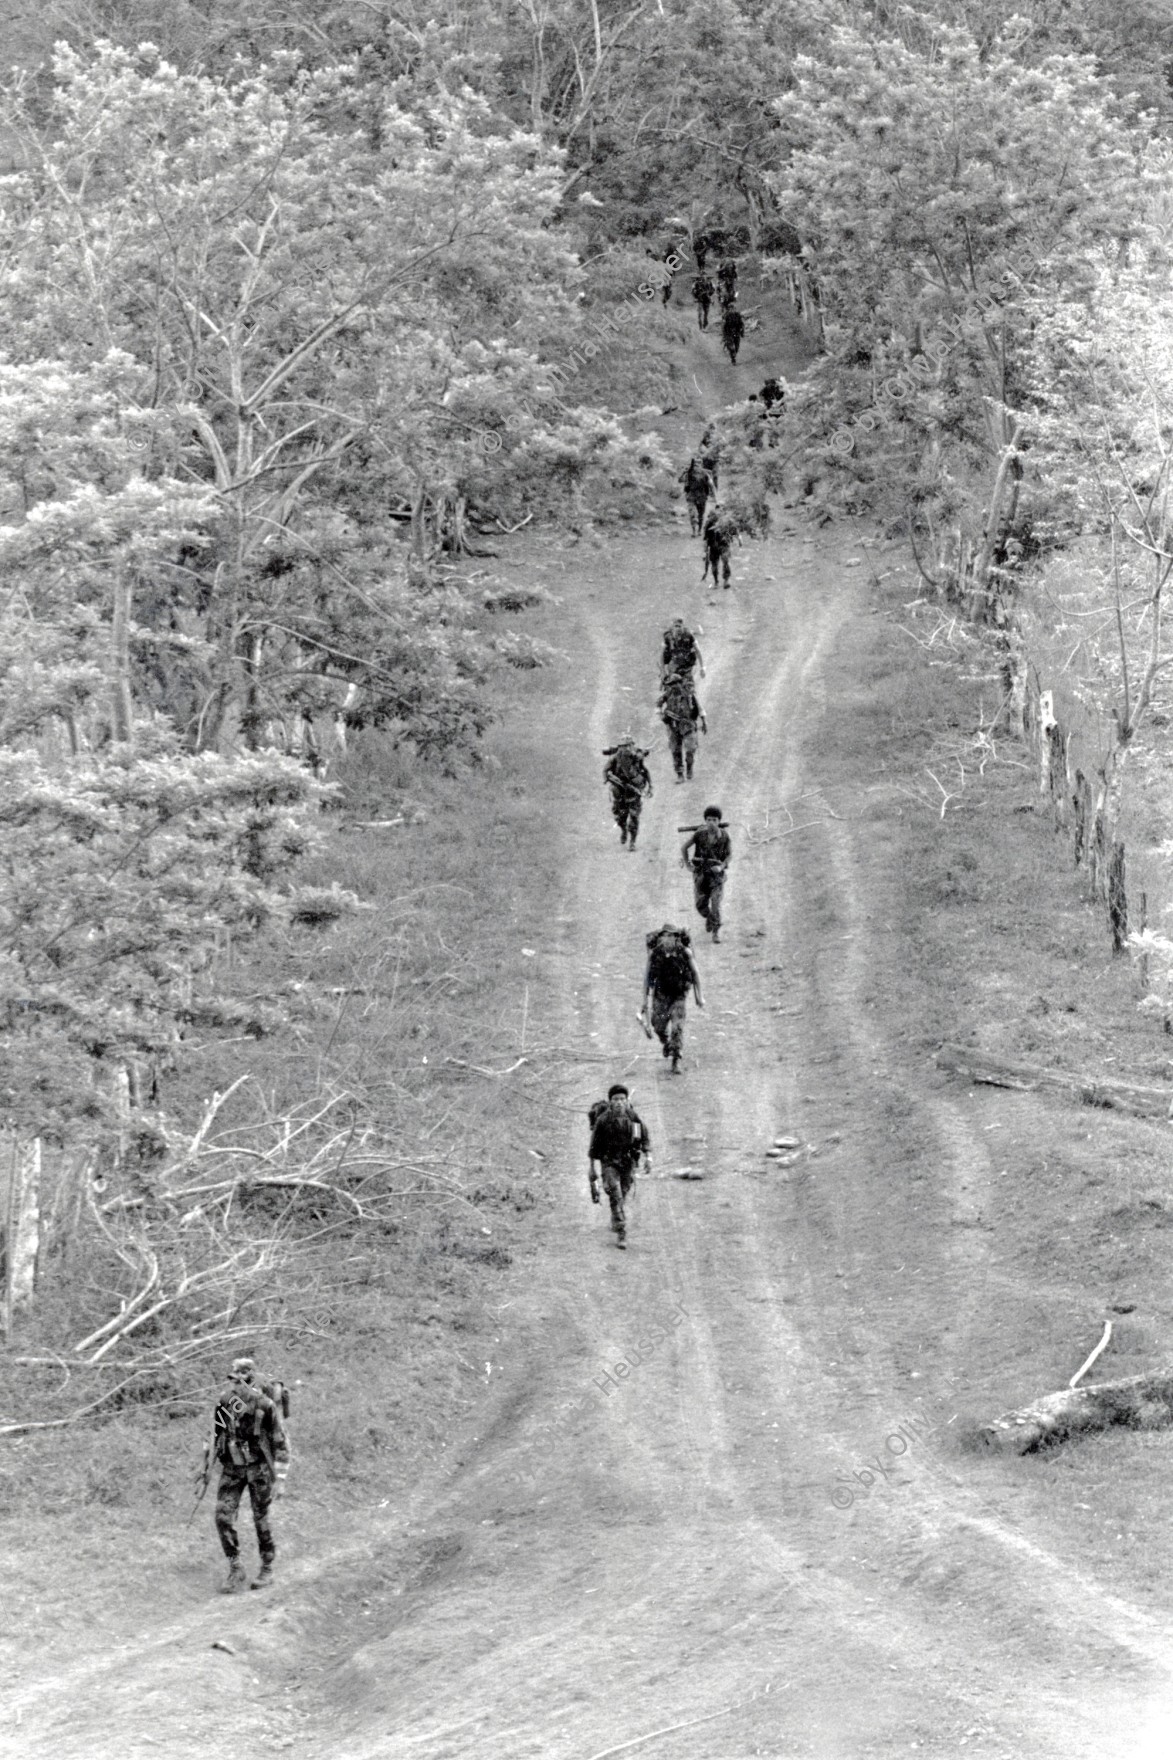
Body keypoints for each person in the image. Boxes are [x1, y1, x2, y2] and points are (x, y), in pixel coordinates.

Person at [206, 1356, 290, 1593]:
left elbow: (281, 1444)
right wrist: (208, 1462)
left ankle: (267, 1566)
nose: (234, 1386)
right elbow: (217, 1434)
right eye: (232, 1380)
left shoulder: (265, 1406)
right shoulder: (225, 1403)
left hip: (258, 1469)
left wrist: (280, 1480)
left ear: (250, 1381)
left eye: (239, 1381)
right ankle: (235, 1568)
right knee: (222, 1516)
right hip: (233, 1468)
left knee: (260, 1518)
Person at [588, 1084, 652, 1249]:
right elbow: (594, 1145)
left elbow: (644, 1137)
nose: (619, 1102)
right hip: (609, 1162)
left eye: (622, 1099)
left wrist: (648, 1157)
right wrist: (592, 1168)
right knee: (615, 1193)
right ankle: (621, 1231)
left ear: (627, 1101)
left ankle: (615, 1216)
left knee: (622, 1193)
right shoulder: (603, 1120)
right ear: (610, 1102)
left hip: (628, 1162)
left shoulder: (633, 1117)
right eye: (615, 1099)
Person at [639, 925, 702, 1074]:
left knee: (677, 1028)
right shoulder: (655, 954)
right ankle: (666, 1042)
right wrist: (644, 1001)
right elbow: (647, 979)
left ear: (676, 937)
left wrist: (699, 996)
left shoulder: (685, 953)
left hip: (678, 996)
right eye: (664, 936)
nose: (666, 939)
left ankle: (676, 1059)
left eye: (670, 936)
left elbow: (695, 974)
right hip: (660, 996)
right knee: (658, 1027)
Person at [681, 805, 732, 942]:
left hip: (716, 876)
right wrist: (688, 865)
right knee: (700, 905)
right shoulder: (699, 834)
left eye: (714, 820)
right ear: (705, 821)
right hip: (701, 875)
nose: (711, 822)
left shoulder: (724, 836)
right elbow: (684, 847)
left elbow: (729, 856)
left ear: (719, 821)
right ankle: (709, 918)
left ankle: (716, 931)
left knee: (715, 903)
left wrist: (721, 867)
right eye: (708, 819)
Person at [602, 734, 653, 850]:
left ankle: (632, 842)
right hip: (619, 793)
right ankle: (624, 830)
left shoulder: (636, 758)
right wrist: (608, 778)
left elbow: (645, 771)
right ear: (619, 747)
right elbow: (605, 770)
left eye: (628, 746)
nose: (626, 749)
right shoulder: (614, 758)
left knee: (634, 817)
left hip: (634, 792)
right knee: (620, 818)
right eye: (623, 746)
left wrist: (651, 787)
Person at [658, 670, 706, 782]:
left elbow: (699, 708)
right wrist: (660, 715)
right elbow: (658, 703)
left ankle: (689, 767)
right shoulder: (668, 694)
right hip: (673, 726)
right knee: (675, 750)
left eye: (674, 684)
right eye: (670, 685)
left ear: (679, 683)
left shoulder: (689, 694)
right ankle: (680, 774)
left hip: (687, 725)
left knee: (690, 749)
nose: (672, 686)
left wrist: (704, 722)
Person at [702, 505, 738, 589]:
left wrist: (736, 538)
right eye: (718, 508)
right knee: (714, 565)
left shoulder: (727, 521)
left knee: (725, 560)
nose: (720, 510)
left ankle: (726, 580)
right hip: (713, 547)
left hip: (724, 545)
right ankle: (716, 581)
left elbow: (734, 531)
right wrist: (705, 550)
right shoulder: (710, 521)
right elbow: (706, 537)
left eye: (722, 508)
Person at [679, 456, 716, 537]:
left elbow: (711, 485)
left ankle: (699, 530)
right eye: (695, 464)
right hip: (691, 496)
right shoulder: (688, 473)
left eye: (698, 464)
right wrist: (684, 472)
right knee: (692, 514)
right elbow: (680, 480)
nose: (696, 466)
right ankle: (694, 531)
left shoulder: (706, 474)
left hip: (702, 497)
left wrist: (715, 497)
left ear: (701, 465)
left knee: (701, 515)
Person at [661, 617, 705, 682]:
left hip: (689, 663)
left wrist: (702, 668)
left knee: (688, 683)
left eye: (679, 626)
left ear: (683, 626)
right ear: (673, 627)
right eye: (676, 626)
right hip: (675, 664)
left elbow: (698, 651)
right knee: (671, 682)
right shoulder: (668, 638)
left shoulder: (689, 636)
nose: (678, 628)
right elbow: (662, 655)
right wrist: (663, 671)